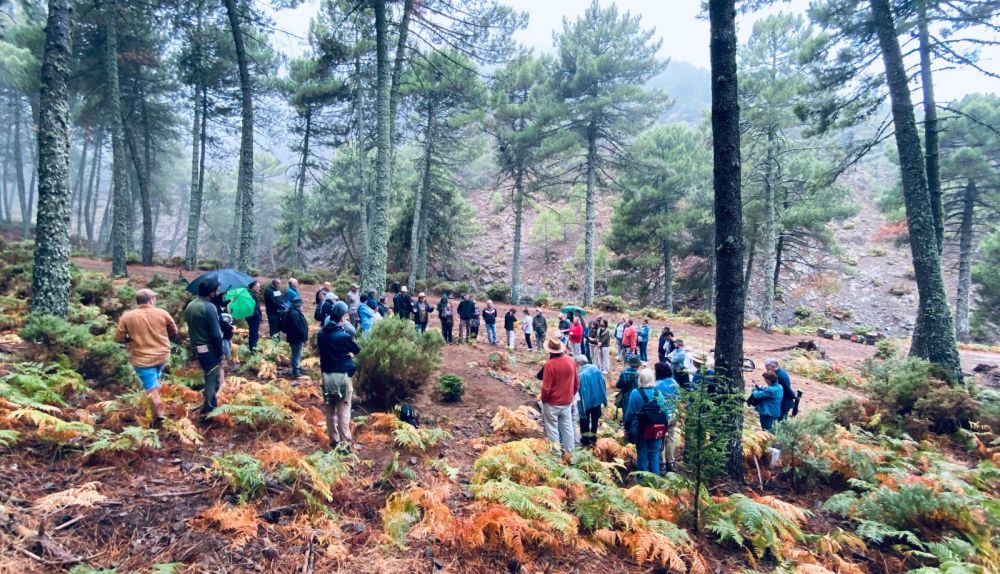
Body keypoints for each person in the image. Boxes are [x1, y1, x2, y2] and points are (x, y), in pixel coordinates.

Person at [115, 289, 178, 425]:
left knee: (151, 388)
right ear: (150, 300)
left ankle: (160, 416)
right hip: (162, 355)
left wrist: (130, 339)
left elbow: (118, 338)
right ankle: (158, 407)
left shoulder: (127, 316)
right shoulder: (163, 313)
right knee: (155, 382)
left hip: (142, 359)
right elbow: (174, 331)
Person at [316, 301, 360, 451]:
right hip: (341, 377)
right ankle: (346, 444)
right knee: (343, 411)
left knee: (330, 410)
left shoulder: (321, 335)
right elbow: (356, 349)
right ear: (342, 318)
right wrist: (349, 353)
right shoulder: (343, 336)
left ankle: (334, 440)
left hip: (326, 376)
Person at [184, 279, 224, 416]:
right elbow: (216, 334)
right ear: (212, 293)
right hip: (209, 348)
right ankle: (210, 410)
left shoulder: (191, 305)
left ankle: (208, 403)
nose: (218, 292)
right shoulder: (209, 307)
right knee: (212, 378)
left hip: (197, 347)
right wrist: (221, 352)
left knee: (209, 375)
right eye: (217, 290)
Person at [536, 338, 579, 457]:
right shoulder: (571, 361)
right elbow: (576, 383)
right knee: (567, 428)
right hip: (567, 402)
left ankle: (556, 455)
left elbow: (546, 388)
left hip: (552, 403)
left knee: (552, 428)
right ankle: (571, 454)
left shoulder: (549, 364)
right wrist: (571, 395)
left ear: (550, 351)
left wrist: (544, 400)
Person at [624, 368, 668, 476]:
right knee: (654, 455)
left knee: (642, 454)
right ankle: (655, 480)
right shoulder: (659, 394)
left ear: (640, 379)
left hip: (640, 429)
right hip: (656, 429)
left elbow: (629, 413)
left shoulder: (635, 393)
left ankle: (642, 480)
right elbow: (665, 414)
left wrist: (626, 427)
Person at [574, 354, 607, 446]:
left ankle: (585, 440)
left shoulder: (580, 375)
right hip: (597, 399)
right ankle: (593, 437)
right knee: (595, 419)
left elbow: (577, 390)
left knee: (584, 420)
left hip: (586, 402)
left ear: (578, 363)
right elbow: (603, 382)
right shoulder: (595, 368)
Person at [653, 362, 680, 471]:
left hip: (662, 415)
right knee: (671, 437)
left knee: (660, 438)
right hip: (674, 413)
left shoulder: (657, 385)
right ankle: (670, 461)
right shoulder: (674, 382)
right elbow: (678, 397)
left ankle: (661, 462)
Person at [283, 297, 310, 379]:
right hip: (296, 338)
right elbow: (298, 328)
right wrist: (304, 338)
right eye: (302, 305)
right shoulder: (294, 314)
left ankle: (297, 368)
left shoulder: (295, 312)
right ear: (298, 305)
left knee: (298, 353)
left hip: (296, 338)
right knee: (296, 354)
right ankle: (296, 371)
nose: (303, 307)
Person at [246, 281, 262, 354]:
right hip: (253, 317)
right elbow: (252, 307)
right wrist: (257, 314)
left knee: (253, 333)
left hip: (251, 316)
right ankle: (253, 350)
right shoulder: (251, 295)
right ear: (253, 287)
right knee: (254, 334)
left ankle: (253, 348)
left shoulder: (251, 293)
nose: (259, 288)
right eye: (258, 287)